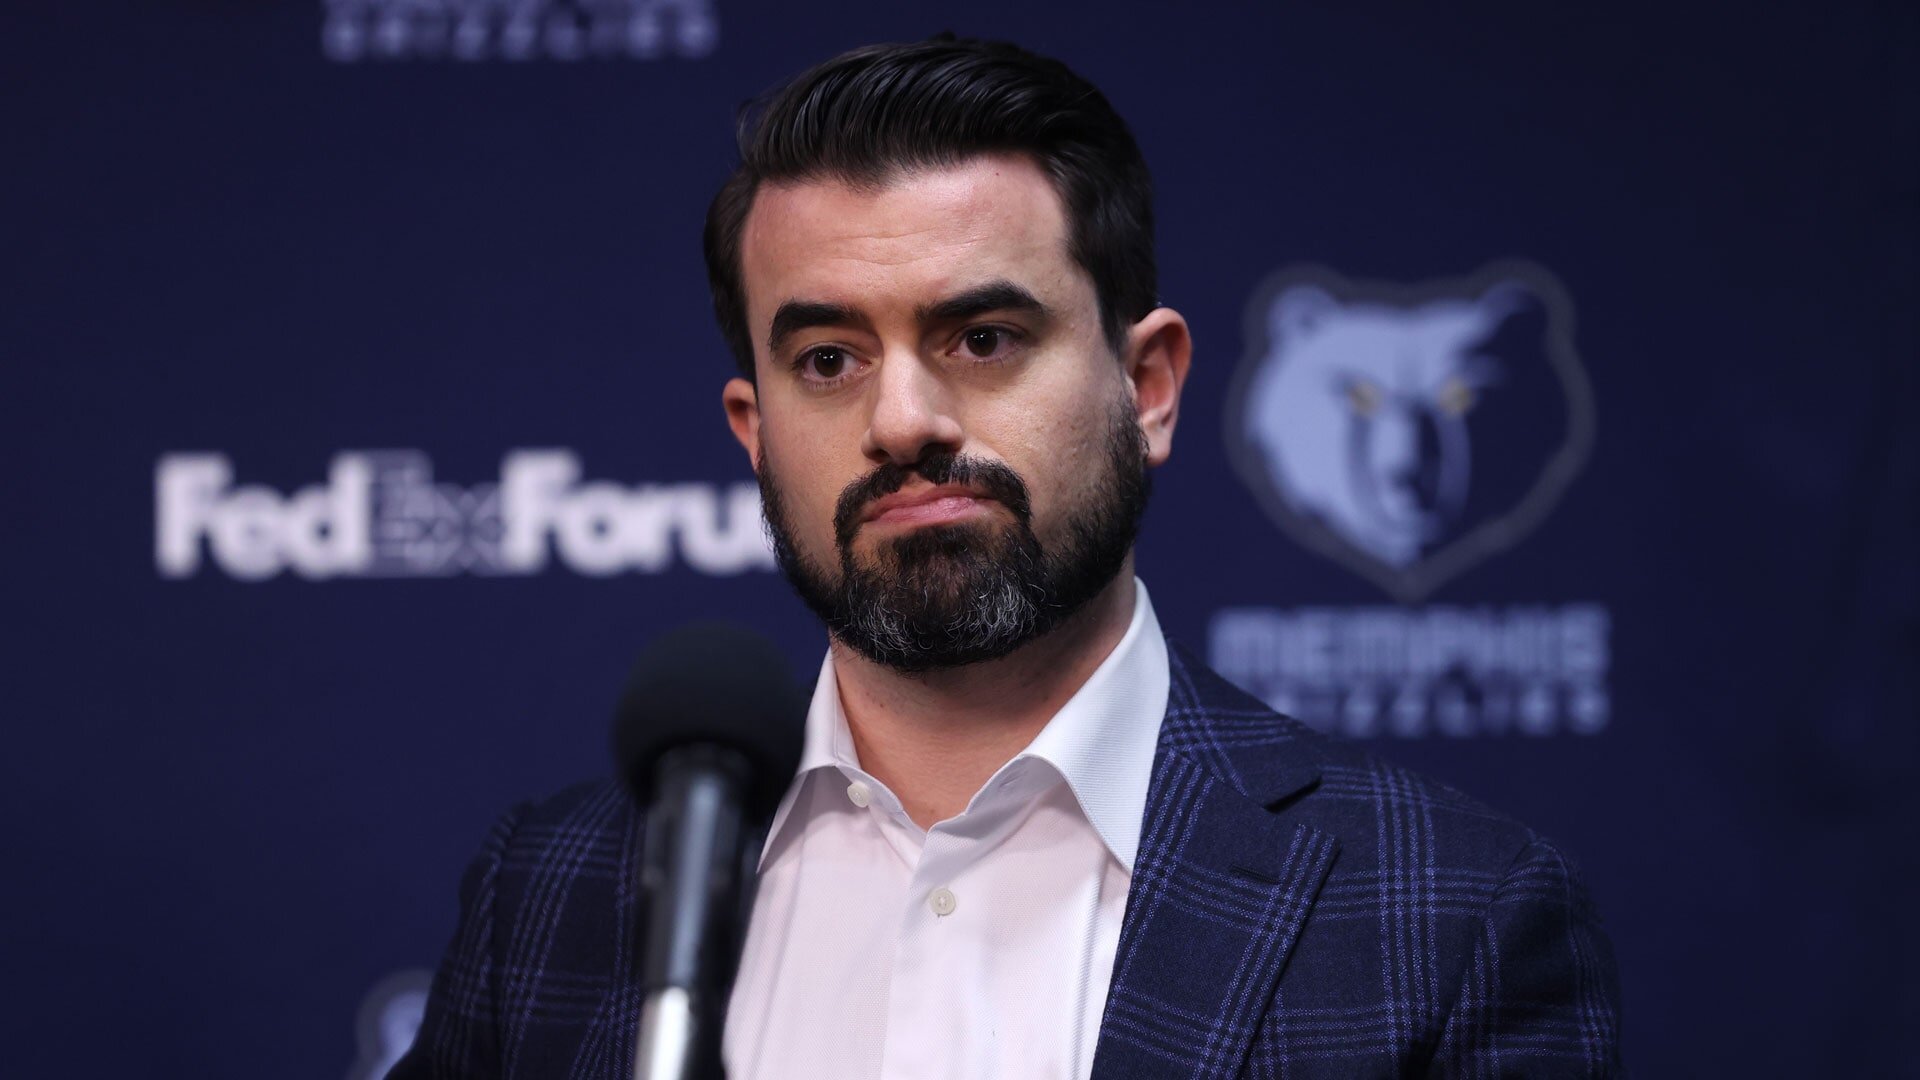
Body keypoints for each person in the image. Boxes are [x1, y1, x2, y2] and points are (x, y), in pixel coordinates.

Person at [393, 35, 1622, 1080]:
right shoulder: (549, 898)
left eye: (981, 337)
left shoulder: (1451, 915)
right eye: (829, 360)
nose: (902, 420)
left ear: (1147, 388)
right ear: (754, 433)